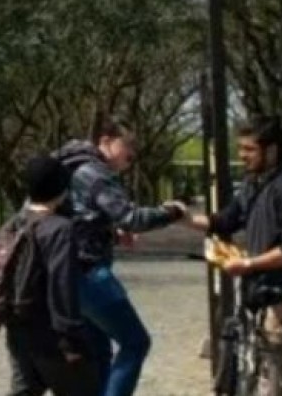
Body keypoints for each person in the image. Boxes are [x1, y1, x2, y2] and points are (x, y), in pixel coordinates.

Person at [54, 115, 187, 396]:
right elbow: (131, 217)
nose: (132, 154)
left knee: (99, 352)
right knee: (136, 342)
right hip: (89, 273)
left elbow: (79, 220)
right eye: (128, 145)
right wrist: (172, 212)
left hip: (69, 272)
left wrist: (111, 233)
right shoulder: (94, 172)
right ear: (105, 141)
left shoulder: (73, 167)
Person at [186, 115, 282, 396]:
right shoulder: (254, 184)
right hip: (258, 292)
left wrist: (248, 264)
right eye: (241, 149)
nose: (242, 156)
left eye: (249, 149)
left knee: (273, 381)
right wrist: (181, 218)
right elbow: (225, 221)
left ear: (271, 150)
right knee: (260, 379)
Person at [5, 155, 102, 396]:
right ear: (61, 189)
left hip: (16, 328)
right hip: (49, 335)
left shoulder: (14, 223)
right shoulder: (59, 228)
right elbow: (61, 287)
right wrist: (72, 340)